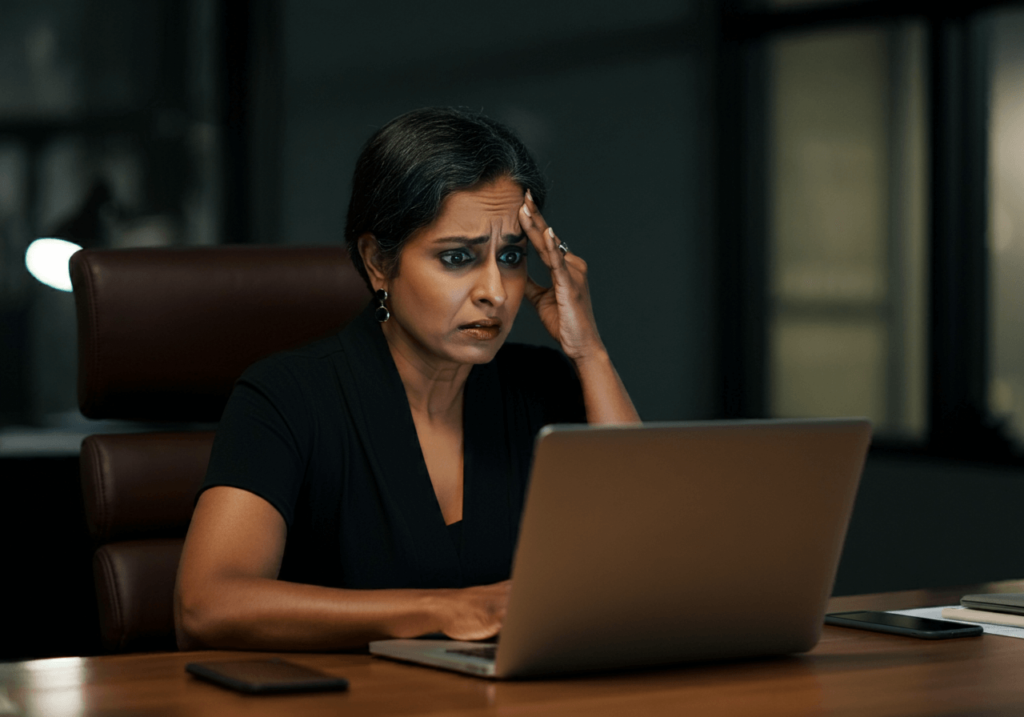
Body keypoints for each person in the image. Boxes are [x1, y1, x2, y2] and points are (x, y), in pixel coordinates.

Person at [174, 107, 640, 651]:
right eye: (458, 257)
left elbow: (646, 563)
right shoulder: (286, 396)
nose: (495, 289)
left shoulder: (542, 387)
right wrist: (443, 610)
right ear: (377, 262)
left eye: (511, 255)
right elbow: (206, 606)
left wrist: (589, 351)